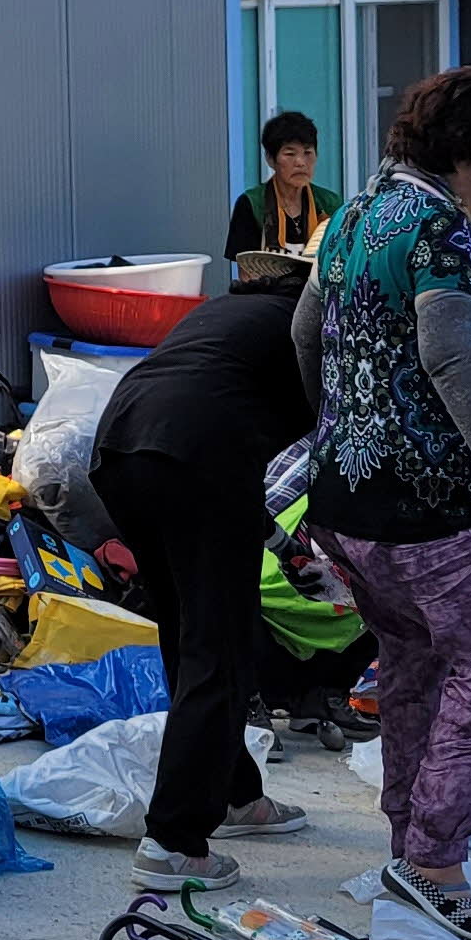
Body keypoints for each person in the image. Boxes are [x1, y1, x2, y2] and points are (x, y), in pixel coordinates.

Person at [294, 65, 471, 940]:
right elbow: (452, 355)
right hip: (439, 510)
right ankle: (434, 861)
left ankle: (409, 844)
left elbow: (307, 334)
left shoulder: (349, 220)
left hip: (349, 505)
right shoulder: (441, 230)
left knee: (414, 667)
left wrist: (349, 425)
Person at [90, 251, 321, 883]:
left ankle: (236, 795)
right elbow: (334, 453)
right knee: (217, 650)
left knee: (194, 636)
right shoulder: (318, 327)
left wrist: (278, 539)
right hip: (196, 457)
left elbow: (220, 420)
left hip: (121, 446)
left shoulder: (233, 313)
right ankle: (174, 841)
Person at [225, 110, 338, 262]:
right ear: (270, 159)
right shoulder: (251, 204)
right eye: (290, 154)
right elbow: (247, 275)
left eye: (307, 153)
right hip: (267, 285)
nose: (300, 162)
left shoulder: (330, 204)